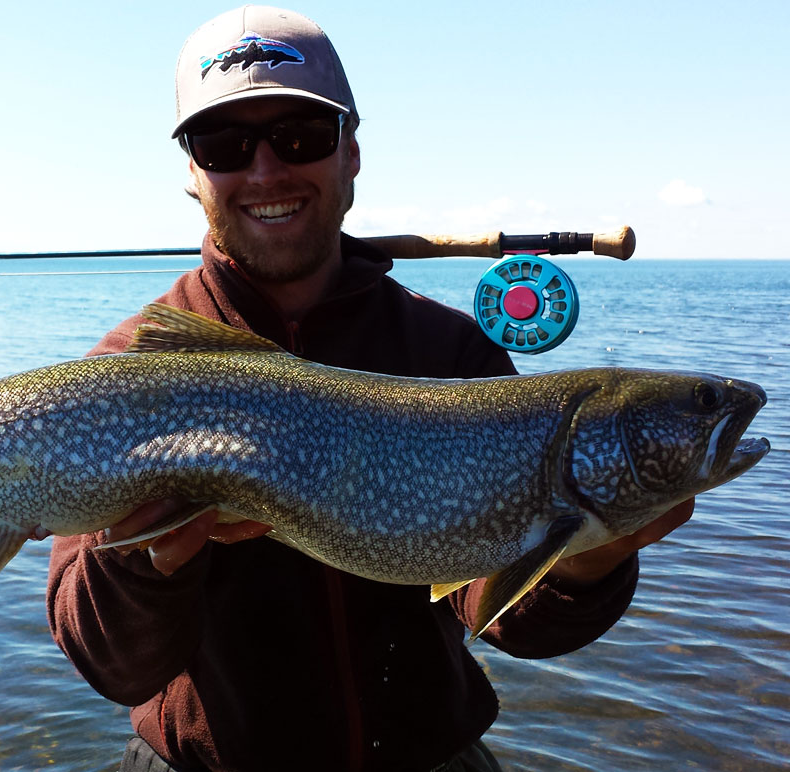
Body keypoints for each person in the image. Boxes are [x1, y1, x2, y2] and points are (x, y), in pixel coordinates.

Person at [45, 7, 694, 771]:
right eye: (224, 145)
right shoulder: (131, 371)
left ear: (351, 152)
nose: (264, 171)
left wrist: (582, 565)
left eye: (300, 136)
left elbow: (502, 619)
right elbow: (112, 667)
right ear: (192, 172)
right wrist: (144, 559)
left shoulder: (449, 351)